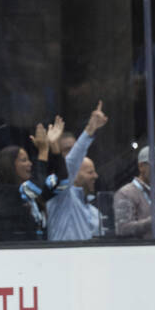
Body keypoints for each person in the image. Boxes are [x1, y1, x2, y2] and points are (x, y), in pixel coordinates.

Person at [0, 118, 68, 241]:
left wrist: (54, 146)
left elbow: (62, 183)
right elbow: (34, 188)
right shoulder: (3, 192)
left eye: (29, 159)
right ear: (9, 165)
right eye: (24, 160)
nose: (30, 164)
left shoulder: (33, 193)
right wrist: (43, 150)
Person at [47, 101, 108, 241]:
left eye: (75, 149)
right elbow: (70, 164)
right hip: (62, 260)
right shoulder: (57, 189)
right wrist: (89, 130)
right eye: (68, 150)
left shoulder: (88, 206)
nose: (75, 154)